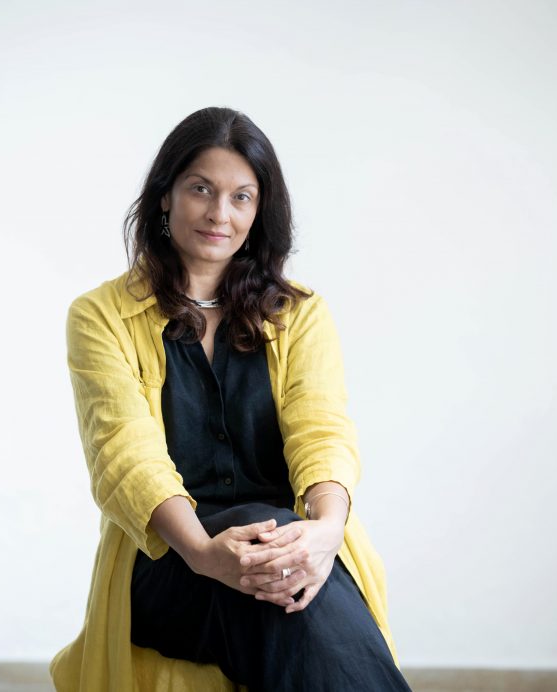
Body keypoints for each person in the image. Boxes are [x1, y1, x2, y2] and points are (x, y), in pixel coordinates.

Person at [49, 107, 412, 691]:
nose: (220, 213)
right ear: (165, 196)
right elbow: (124, 455)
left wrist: (326, 533)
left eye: (241, 197)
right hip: (171, 561)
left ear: (259, 212)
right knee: (274, 560)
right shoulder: (100, 317)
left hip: (291, 544)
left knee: (275, 557)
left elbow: (322, 430)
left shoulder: (300, 314)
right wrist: (203, 551)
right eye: (201, 189)